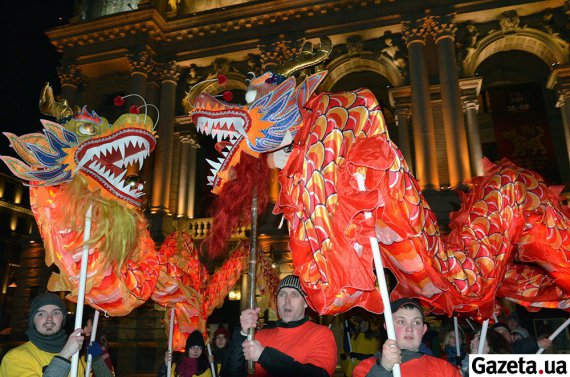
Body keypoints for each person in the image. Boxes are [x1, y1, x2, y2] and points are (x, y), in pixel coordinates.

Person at [222, 274, 337, 376]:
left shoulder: (321, 334)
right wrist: (242, 334)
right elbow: (229, 373)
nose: (287, 300)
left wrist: (264, 355)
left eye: (294, 295)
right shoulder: (259, 336)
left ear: (306, 303)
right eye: (282, 294)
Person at [0, 292, 113, 377]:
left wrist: (97, 361)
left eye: (56, 313)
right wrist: (64, 355)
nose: (49, 318)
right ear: (32, 320)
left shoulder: (75, 356)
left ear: (63, 319)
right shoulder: (15, 358)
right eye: (41, 314)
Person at [353, 298, 461, 377]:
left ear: (423, 330)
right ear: (387, 326)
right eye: (401, 321)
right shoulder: (366, 368)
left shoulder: (446, 370)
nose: (410, 328)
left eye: (416, 322)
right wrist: (383, 369)